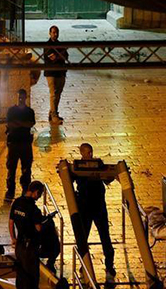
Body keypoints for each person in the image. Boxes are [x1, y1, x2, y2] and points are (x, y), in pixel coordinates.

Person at [75, 143, 116, 276]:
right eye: (87, 153)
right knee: (83, 236)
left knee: (105, 235)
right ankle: (84, 265)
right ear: (82, 153)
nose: (90, 155)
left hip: (98, 205)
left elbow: (107, 179)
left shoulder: (98, 163)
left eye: (91, 152)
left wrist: (112, 174)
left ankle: (109, 265)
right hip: (85, 207)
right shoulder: (78, 167)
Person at [9, 181, 44, 289]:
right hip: (30, 246)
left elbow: (11, 222)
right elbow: (38, 228)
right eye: (39, 194)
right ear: (35, 191)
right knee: (32, 273)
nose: (39, 197)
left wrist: (13, 238)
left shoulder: (16, 202)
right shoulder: (34, 210)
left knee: (21, 270)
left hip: (19, 244)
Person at [5, 89, 36, 202]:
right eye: (19, 97)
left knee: (26, 168)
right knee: (11, 168)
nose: (21, 99)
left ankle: (25, 189)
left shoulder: (29, 111)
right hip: (14, 143)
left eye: (22, 97)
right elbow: (10, 123)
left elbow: (31, 123)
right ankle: (10, 190)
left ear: (25, 97)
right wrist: (23, 124)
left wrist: (18, 123)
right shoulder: (11, 110)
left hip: (25, 143)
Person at [44, 25, 68, 125]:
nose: (55, 34)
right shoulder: (47, 46)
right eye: (53, 32)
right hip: (51, 73)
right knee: (53, 94)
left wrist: (59, 56)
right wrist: (60, 55)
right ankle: (54, 115)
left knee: (58, 94)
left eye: (56, 32)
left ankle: (53, 112)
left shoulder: (60, 44)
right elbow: (53, 58)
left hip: (60, 72)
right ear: (50, 33)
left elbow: (65, 56)